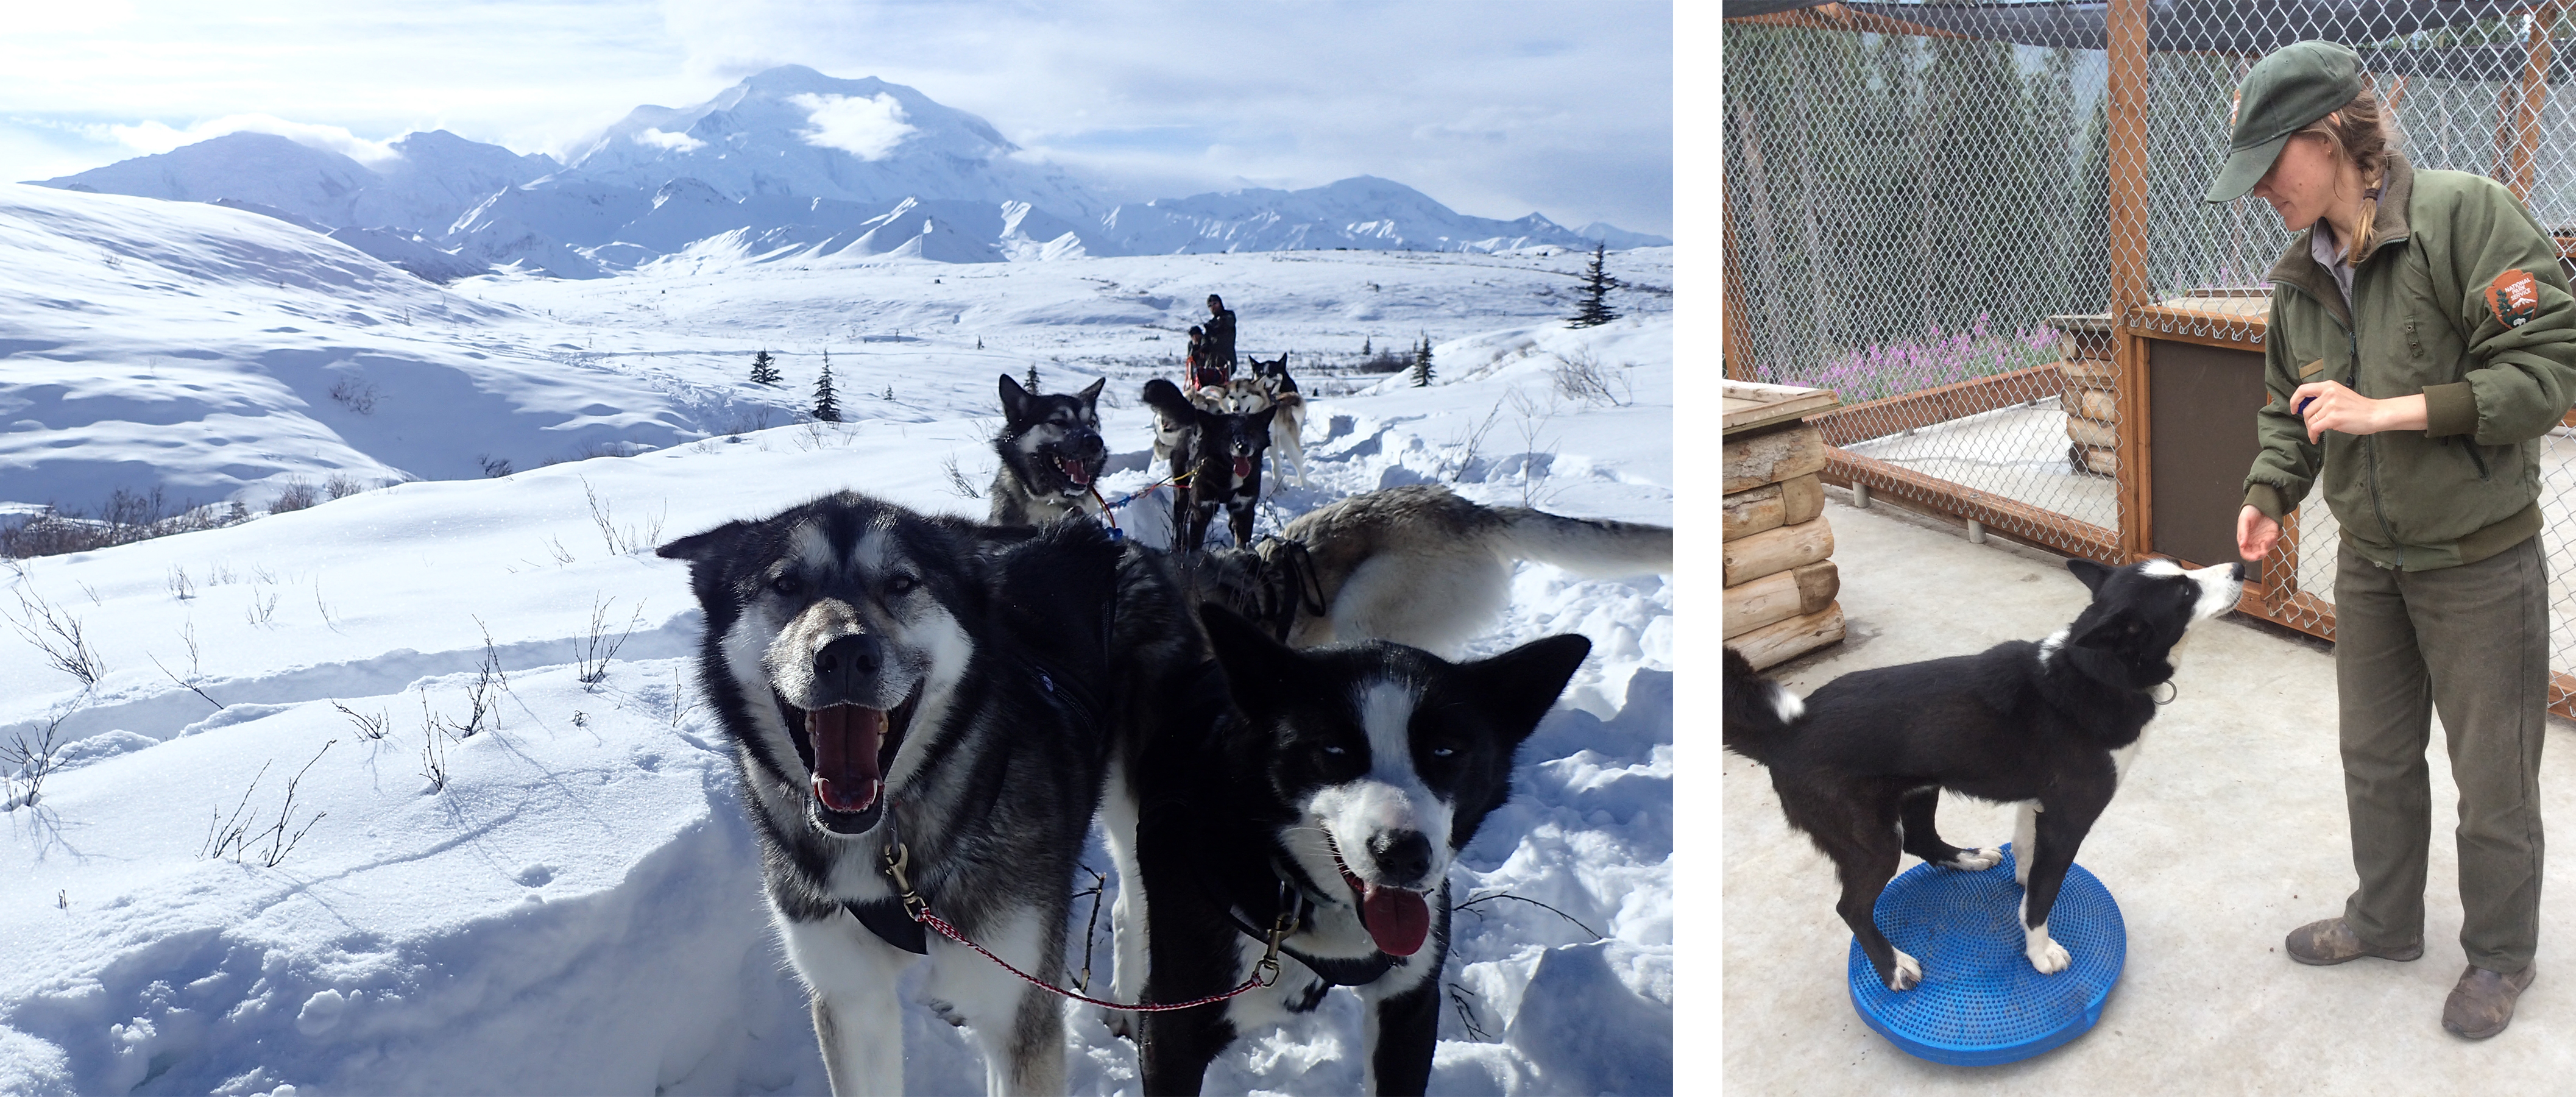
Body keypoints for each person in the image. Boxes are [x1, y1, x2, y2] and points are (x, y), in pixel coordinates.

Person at [2214, 40, 2576, 1040]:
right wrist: (2268, 489)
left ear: (2329, 139)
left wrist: (2390, 412)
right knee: (2372, 757)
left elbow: (2548, 370)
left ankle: (2499, 956)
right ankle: (2384, 920)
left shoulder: (2464, 217)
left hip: (2477, 562)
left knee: (2490, 776)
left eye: (2267, 166)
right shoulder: (2300, 275)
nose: (2255, 194)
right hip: (2368, 560)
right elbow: (2288, 407)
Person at [1203, 294, 1239, 375]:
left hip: (1227, 359)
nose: (1213, 307)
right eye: (1210, 306)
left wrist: (1213, 328)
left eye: (1215, 304)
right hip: (1212, 362)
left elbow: (1227, 324)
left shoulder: (1229, 315)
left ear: (1220, 303)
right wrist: (1204, 345)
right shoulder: (1211, 323)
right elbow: (1205, 338)